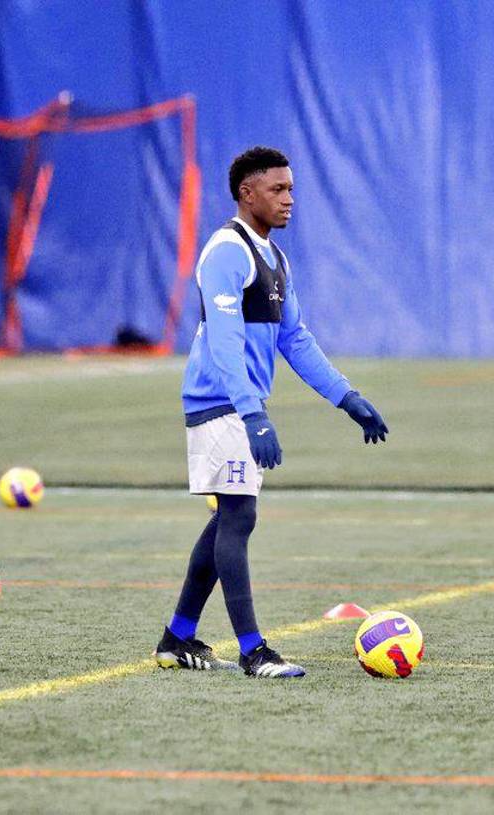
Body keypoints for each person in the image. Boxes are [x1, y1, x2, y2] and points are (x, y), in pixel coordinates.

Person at [154, 146, 389, 678]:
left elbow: (296, 339)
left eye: (291, 189)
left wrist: (347, 398)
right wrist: (252, 413)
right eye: (278, 189)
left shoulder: (276, 260)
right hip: (221, 404)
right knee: (238, 517)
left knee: (227, 523)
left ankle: (178, 636)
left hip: (238, 406)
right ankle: (253, 650)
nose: (289, 199)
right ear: (246, 193)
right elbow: (223, 342)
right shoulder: (225, 252)